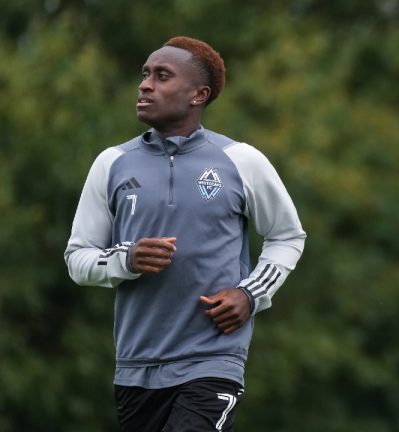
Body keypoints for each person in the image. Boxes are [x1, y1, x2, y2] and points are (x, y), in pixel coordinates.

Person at [65, 36, 306, 431]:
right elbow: (78, 258)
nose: (145, 85)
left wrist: (250, 294)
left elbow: (287, 236)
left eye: (162, 76)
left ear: (199, 94)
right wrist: (125, 260)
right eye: (145, 75)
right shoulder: (112, 164)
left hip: (213, 360)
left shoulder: (241, 160)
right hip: (136, 366)